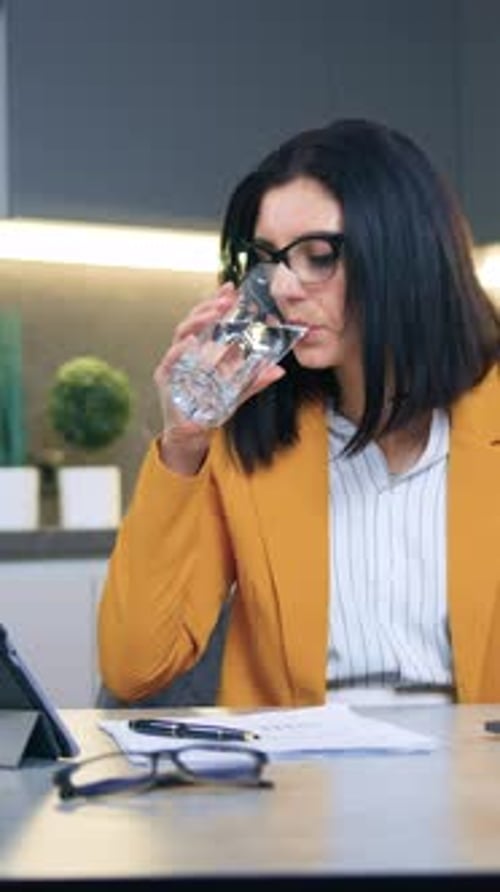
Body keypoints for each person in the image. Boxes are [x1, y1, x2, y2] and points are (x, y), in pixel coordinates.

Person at [98, 117, 500, 708]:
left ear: (407, 254)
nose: (284, 286)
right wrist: (182, 444)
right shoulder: (247, 437)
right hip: (300, 785)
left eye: (318, 256)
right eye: (268, 259)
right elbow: (136, 667)